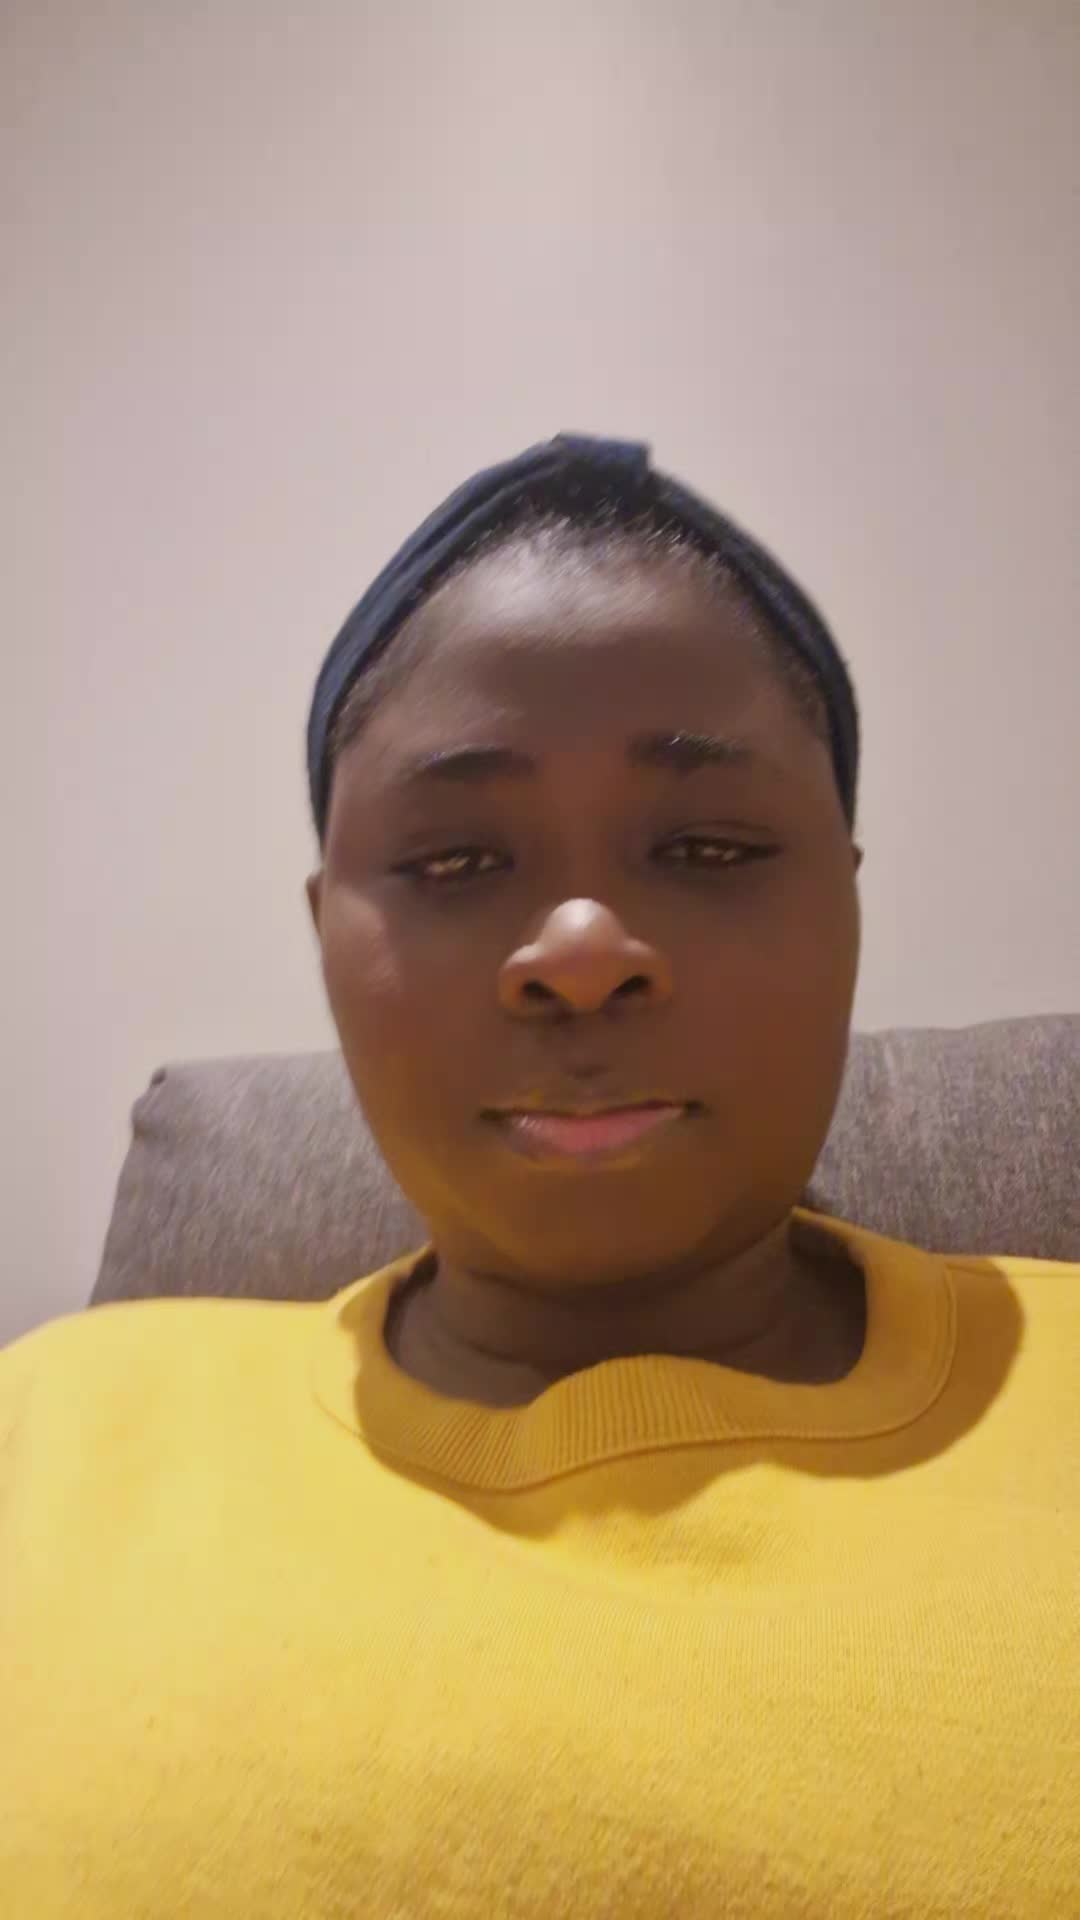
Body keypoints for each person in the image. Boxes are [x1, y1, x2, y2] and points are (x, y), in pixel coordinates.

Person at [2, 434, 1077, 1917]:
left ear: (846, 903)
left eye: (709, 847)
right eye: (454, 865)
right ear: (327, 936)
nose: (580, 951)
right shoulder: (52, 1426)